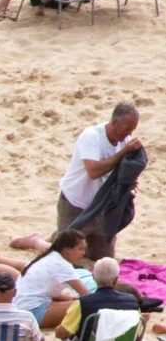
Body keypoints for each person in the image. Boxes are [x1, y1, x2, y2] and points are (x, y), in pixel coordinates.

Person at [59, 102, 143, 241]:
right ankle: (38, 241)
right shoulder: (91, 136)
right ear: (115, 122)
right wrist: (123, 153)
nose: (129, 134)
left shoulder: (124, 141)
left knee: (100, 258)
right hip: (75, 204)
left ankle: (58, 235)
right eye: (127, 129)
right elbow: (93, 172)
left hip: (99, 208)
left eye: (132, 131)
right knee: (66, 253)